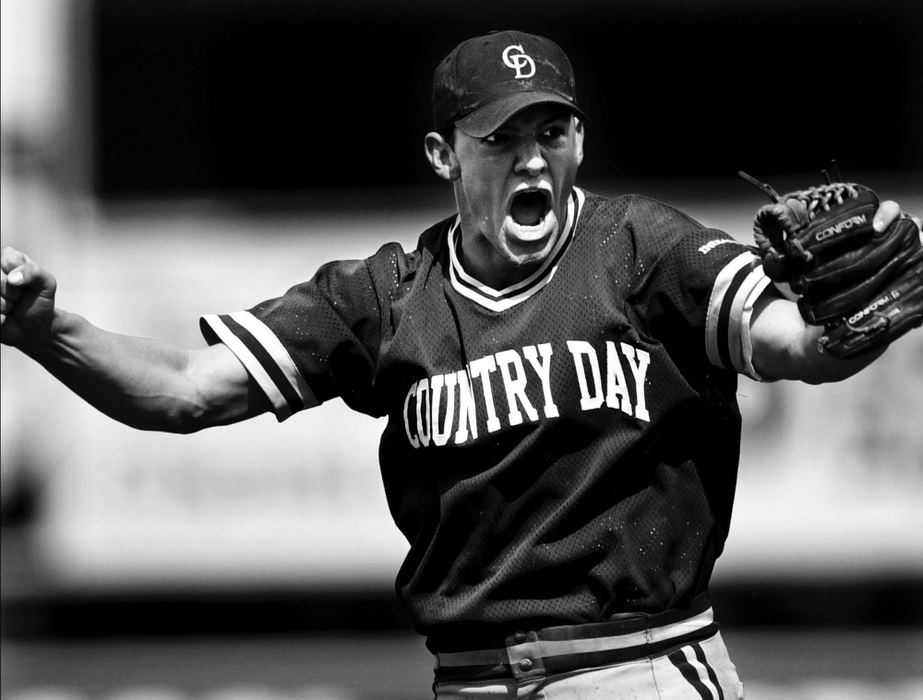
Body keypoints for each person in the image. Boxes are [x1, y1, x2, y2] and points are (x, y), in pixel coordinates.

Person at [1, 29, 918, 699]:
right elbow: (187, 393)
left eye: (550, 133)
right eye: (500, 139)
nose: (531, 158)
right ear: (444, 155)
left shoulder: (641, 250)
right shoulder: (384, 299)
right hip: (470, 680)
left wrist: (855, 330)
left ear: (579, 145)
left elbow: (791, 348)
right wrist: (48, 331)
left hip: (639, 669)